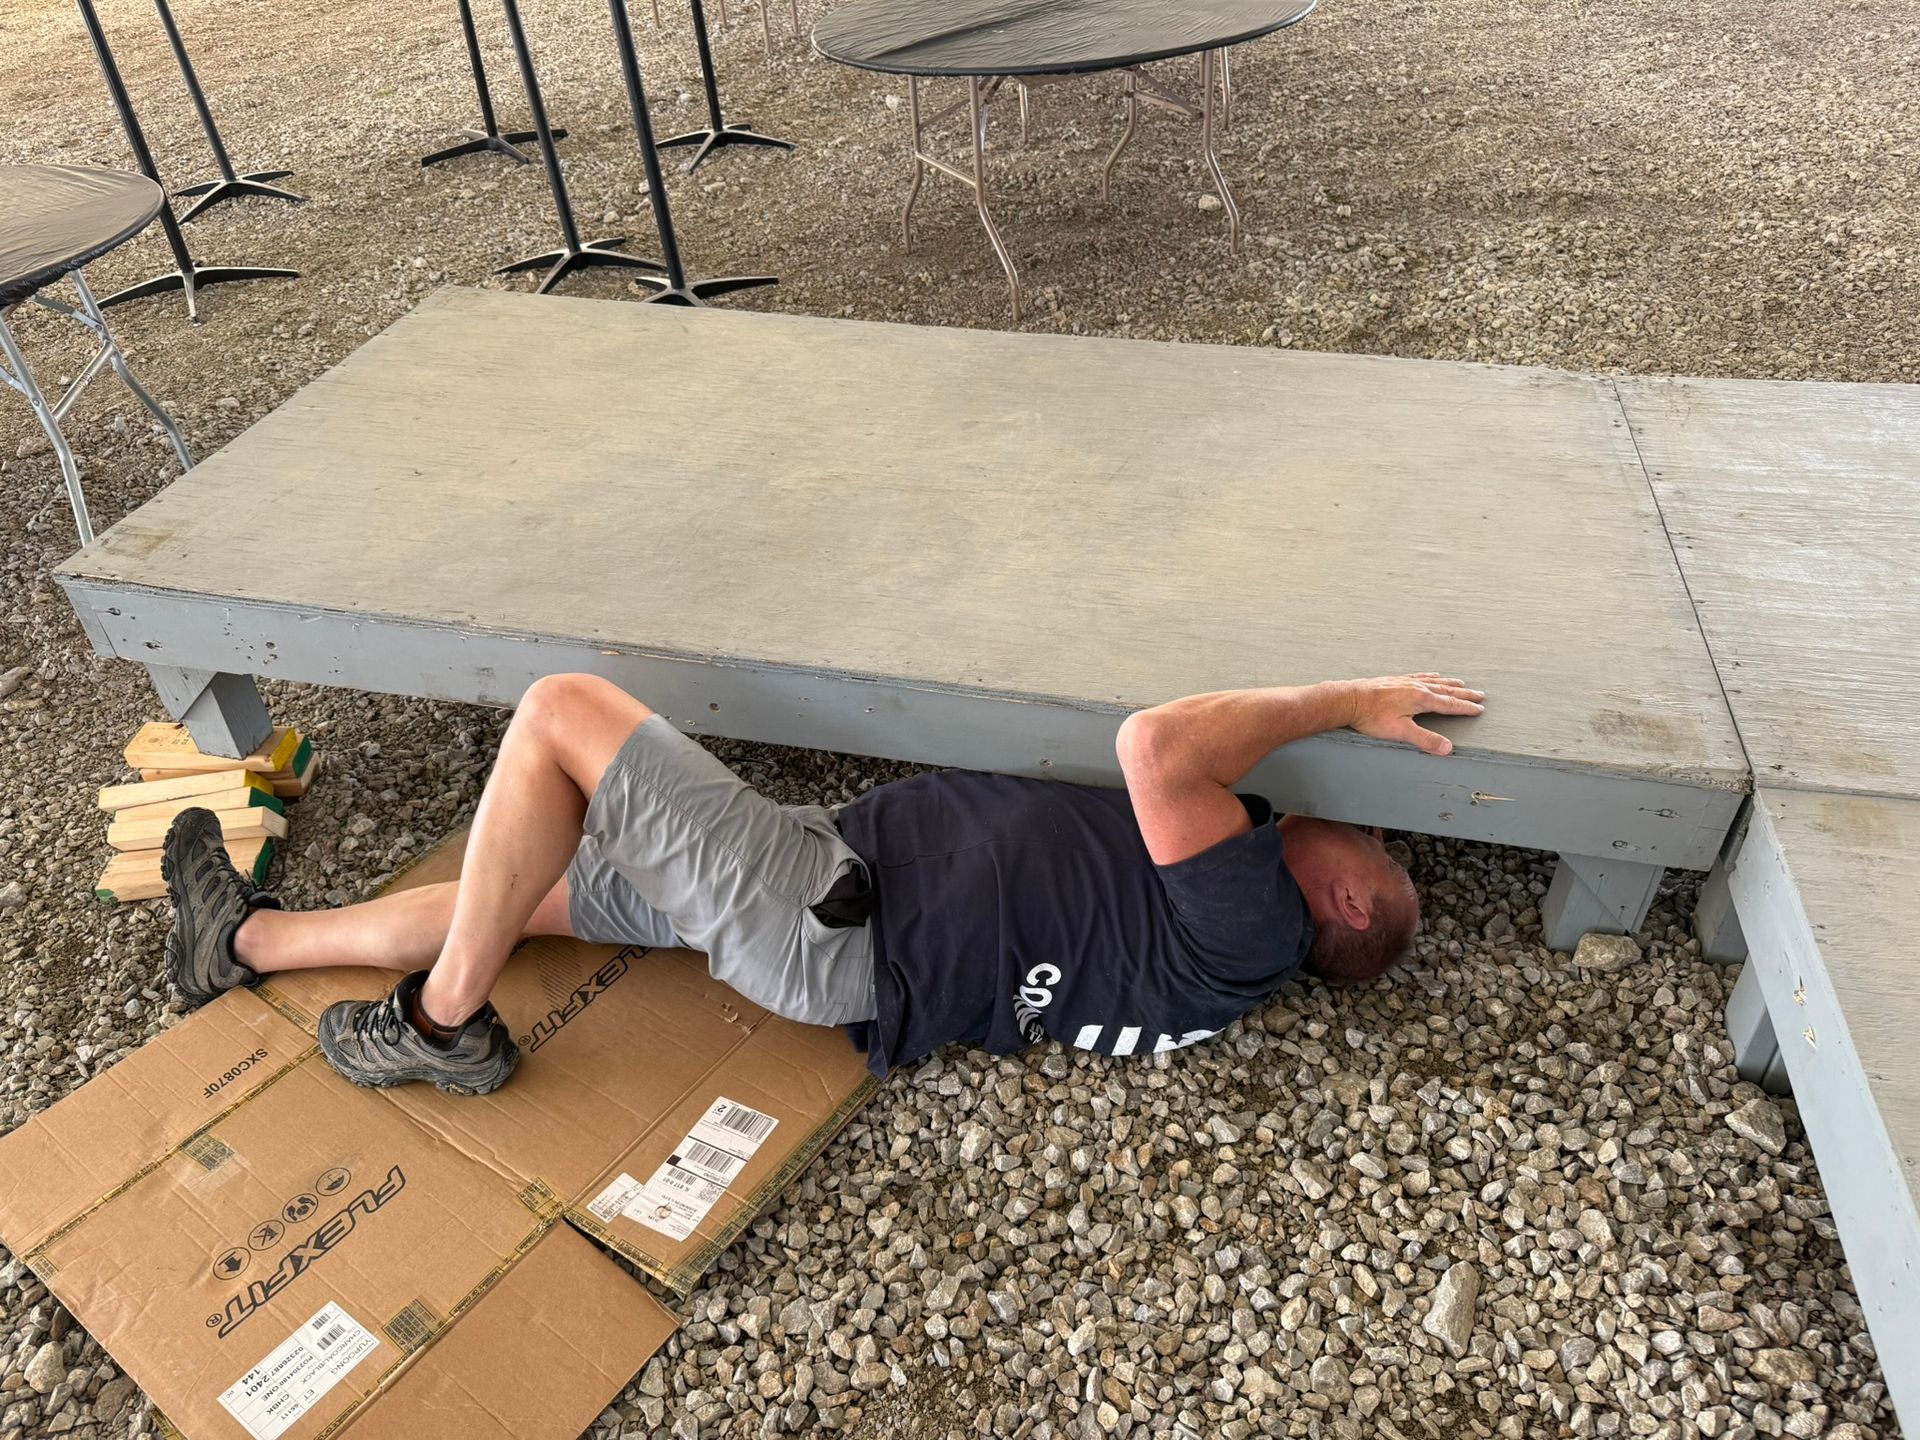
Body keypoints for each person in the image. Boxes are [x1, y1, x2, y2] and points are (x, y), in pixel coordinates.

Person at [160, 673, 1485, 1096]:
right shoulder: (1215, 963)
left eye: (1379, 858)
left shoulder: (1253, 926)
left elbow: (1157, 746)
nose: (1367, 835)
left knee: (562, 710)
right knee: (533, 891)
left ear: (1347, 907)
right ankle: (251, 943)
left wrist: (1347, 698)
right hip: (832, 903)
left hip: (824, 908)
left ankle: (439, 1026)